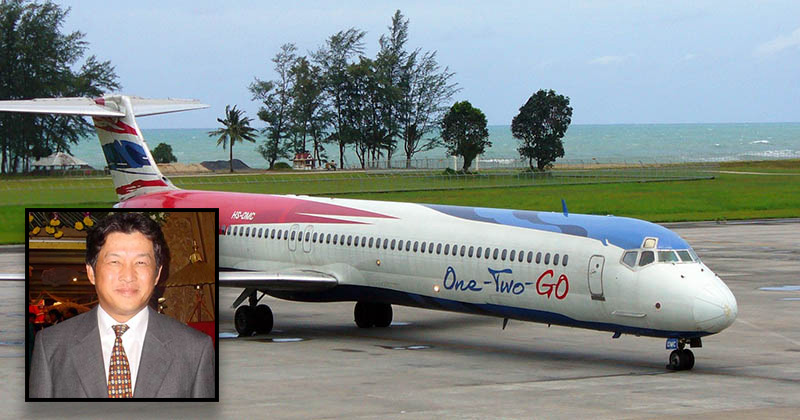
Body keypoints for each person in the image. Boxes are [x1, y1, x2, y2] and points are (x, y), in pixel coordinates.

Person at [29, 212, 215, 399]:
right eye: (115, 261)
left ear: (157, 274)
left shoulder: (195, 350)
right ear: (91, 272)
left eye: (141, 262)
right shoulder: (51, 346)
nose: (128, 275)